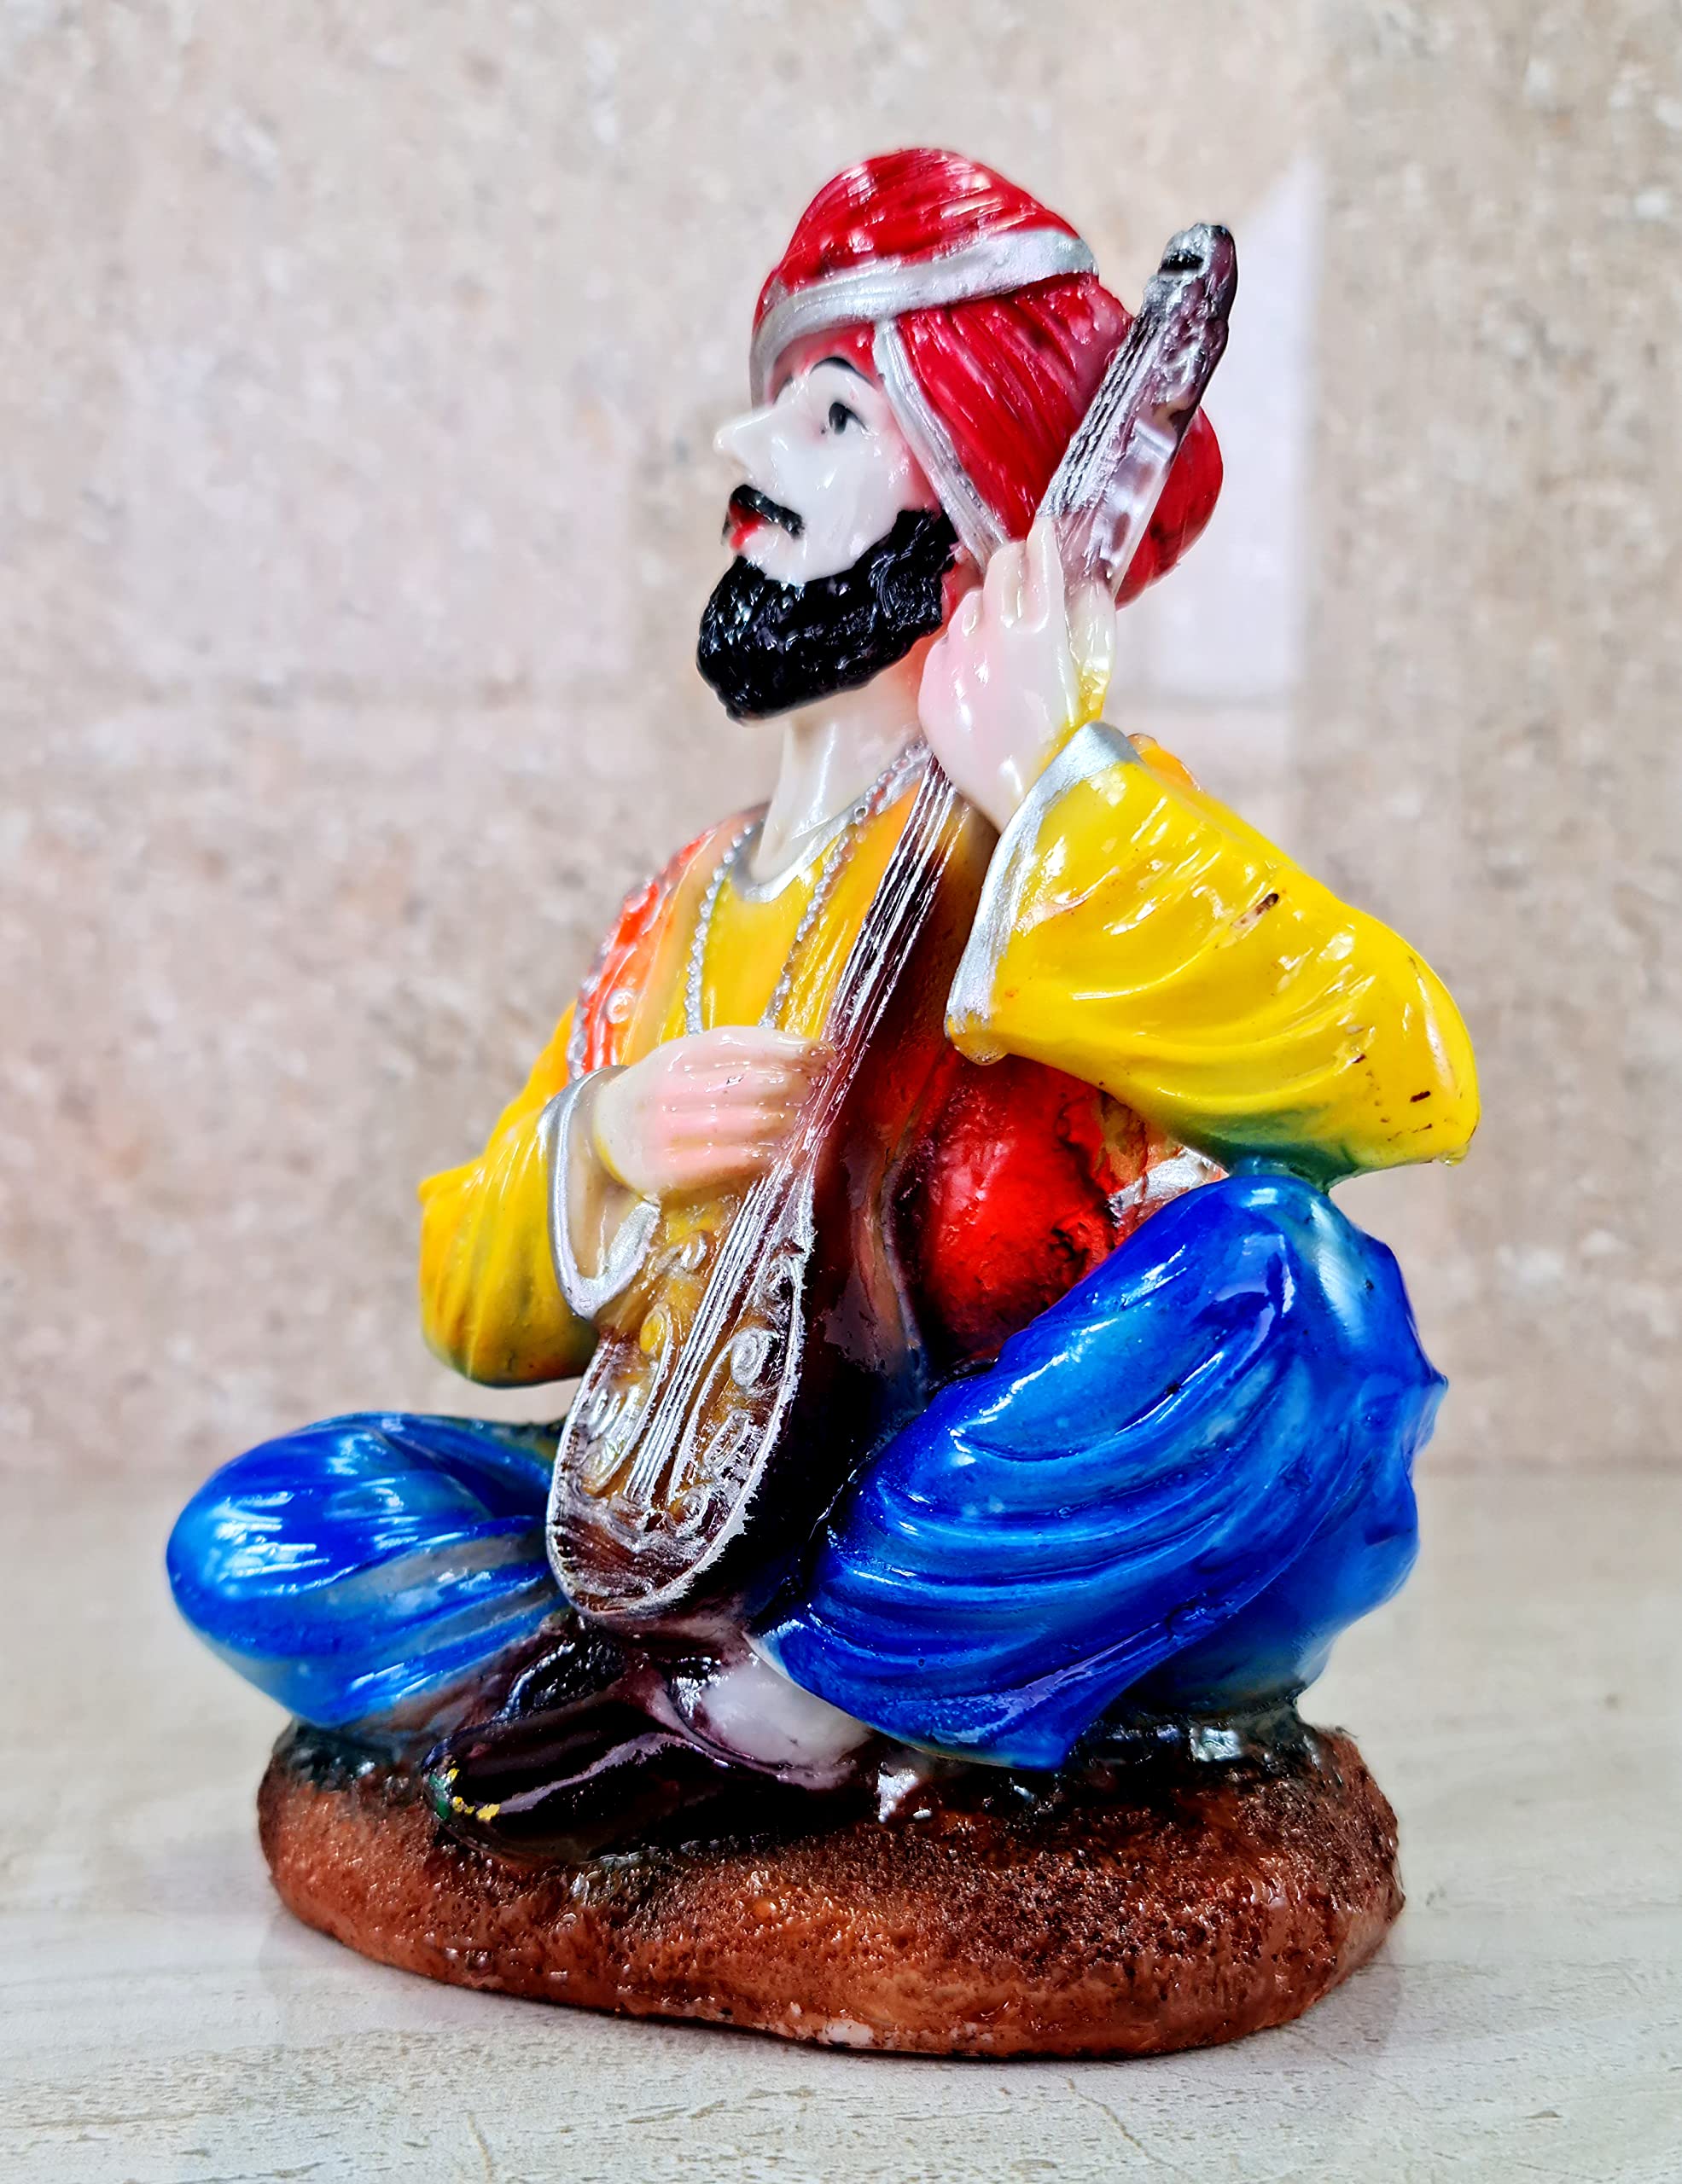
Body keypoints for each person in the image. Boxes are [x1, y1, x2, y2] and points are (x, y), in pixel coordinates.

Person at [170, 151, 1477, 1827]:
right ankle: (697, 1681)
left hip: (1036, 1538)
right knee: (272, 1528)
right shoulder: (686, 904)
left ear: (980, 505)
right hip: (718, 1516)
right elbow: (463, 1284)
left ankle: (815, 1693)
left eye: (836, 418)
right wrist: (600, 1147)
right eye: (776, 404)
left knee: (1295, 1292)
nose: (747, 452)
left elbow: (1403, 1073)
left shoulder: (1076, 826)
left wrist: (1050, 782)